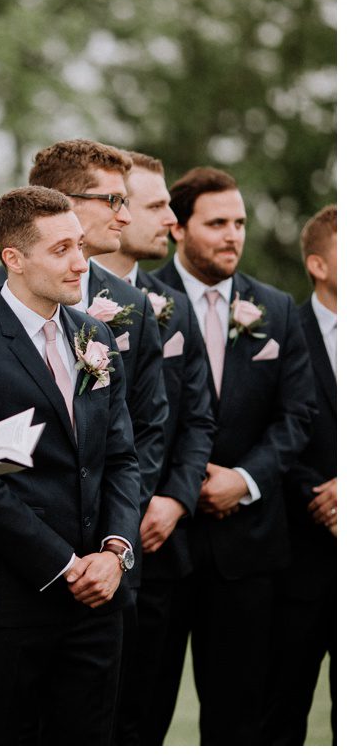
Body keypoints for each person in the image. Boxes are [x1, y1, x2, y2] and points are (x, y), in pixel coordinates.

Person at [0, 186, 140, 745]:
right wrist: (69, 567)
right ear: (13, 259)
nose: (80, 262)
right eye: (62, 249)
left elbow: (120, 459)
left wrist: (115, 555)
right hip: (7, 609)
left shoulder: (96, 337)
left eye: (81, 245)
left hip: (98, 607)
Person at [152, 167, 316, 743]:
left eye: (239, 223)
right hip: (160, 549)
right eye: (217, 222)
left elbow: (298, 417)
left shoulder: (275, 309)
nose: (233, 235)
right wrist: (178, 487)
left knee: (240, 726)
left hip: (248, 549)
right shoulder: (136, 304)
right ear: (177, 227)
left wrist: (244, 480)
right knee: (137, 720)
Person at [0, 139, 167, 524]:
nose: (125, 216)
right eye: (113, 200)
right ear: (64, 200)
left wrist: (120, 528)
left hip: (111, 543)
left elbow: (144, 427)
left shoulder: (133, 303)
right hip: (17, 544)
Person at [92, 151, 216, 744]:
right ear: (116, 212)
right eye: (158, 205)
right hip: (82, 550)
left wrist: (174, 497)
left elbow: (197, 418)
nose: (172, 219)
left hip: (159, 548)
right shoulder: (58, 297)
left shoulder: (173, 305)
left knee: (146, 721)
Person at [264, 204, 336, 744]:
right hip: (299, 559)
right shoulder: (281, 331)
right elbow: (263, 427)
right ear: (317, 264)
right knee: (281, 713)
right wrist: (321, 495)